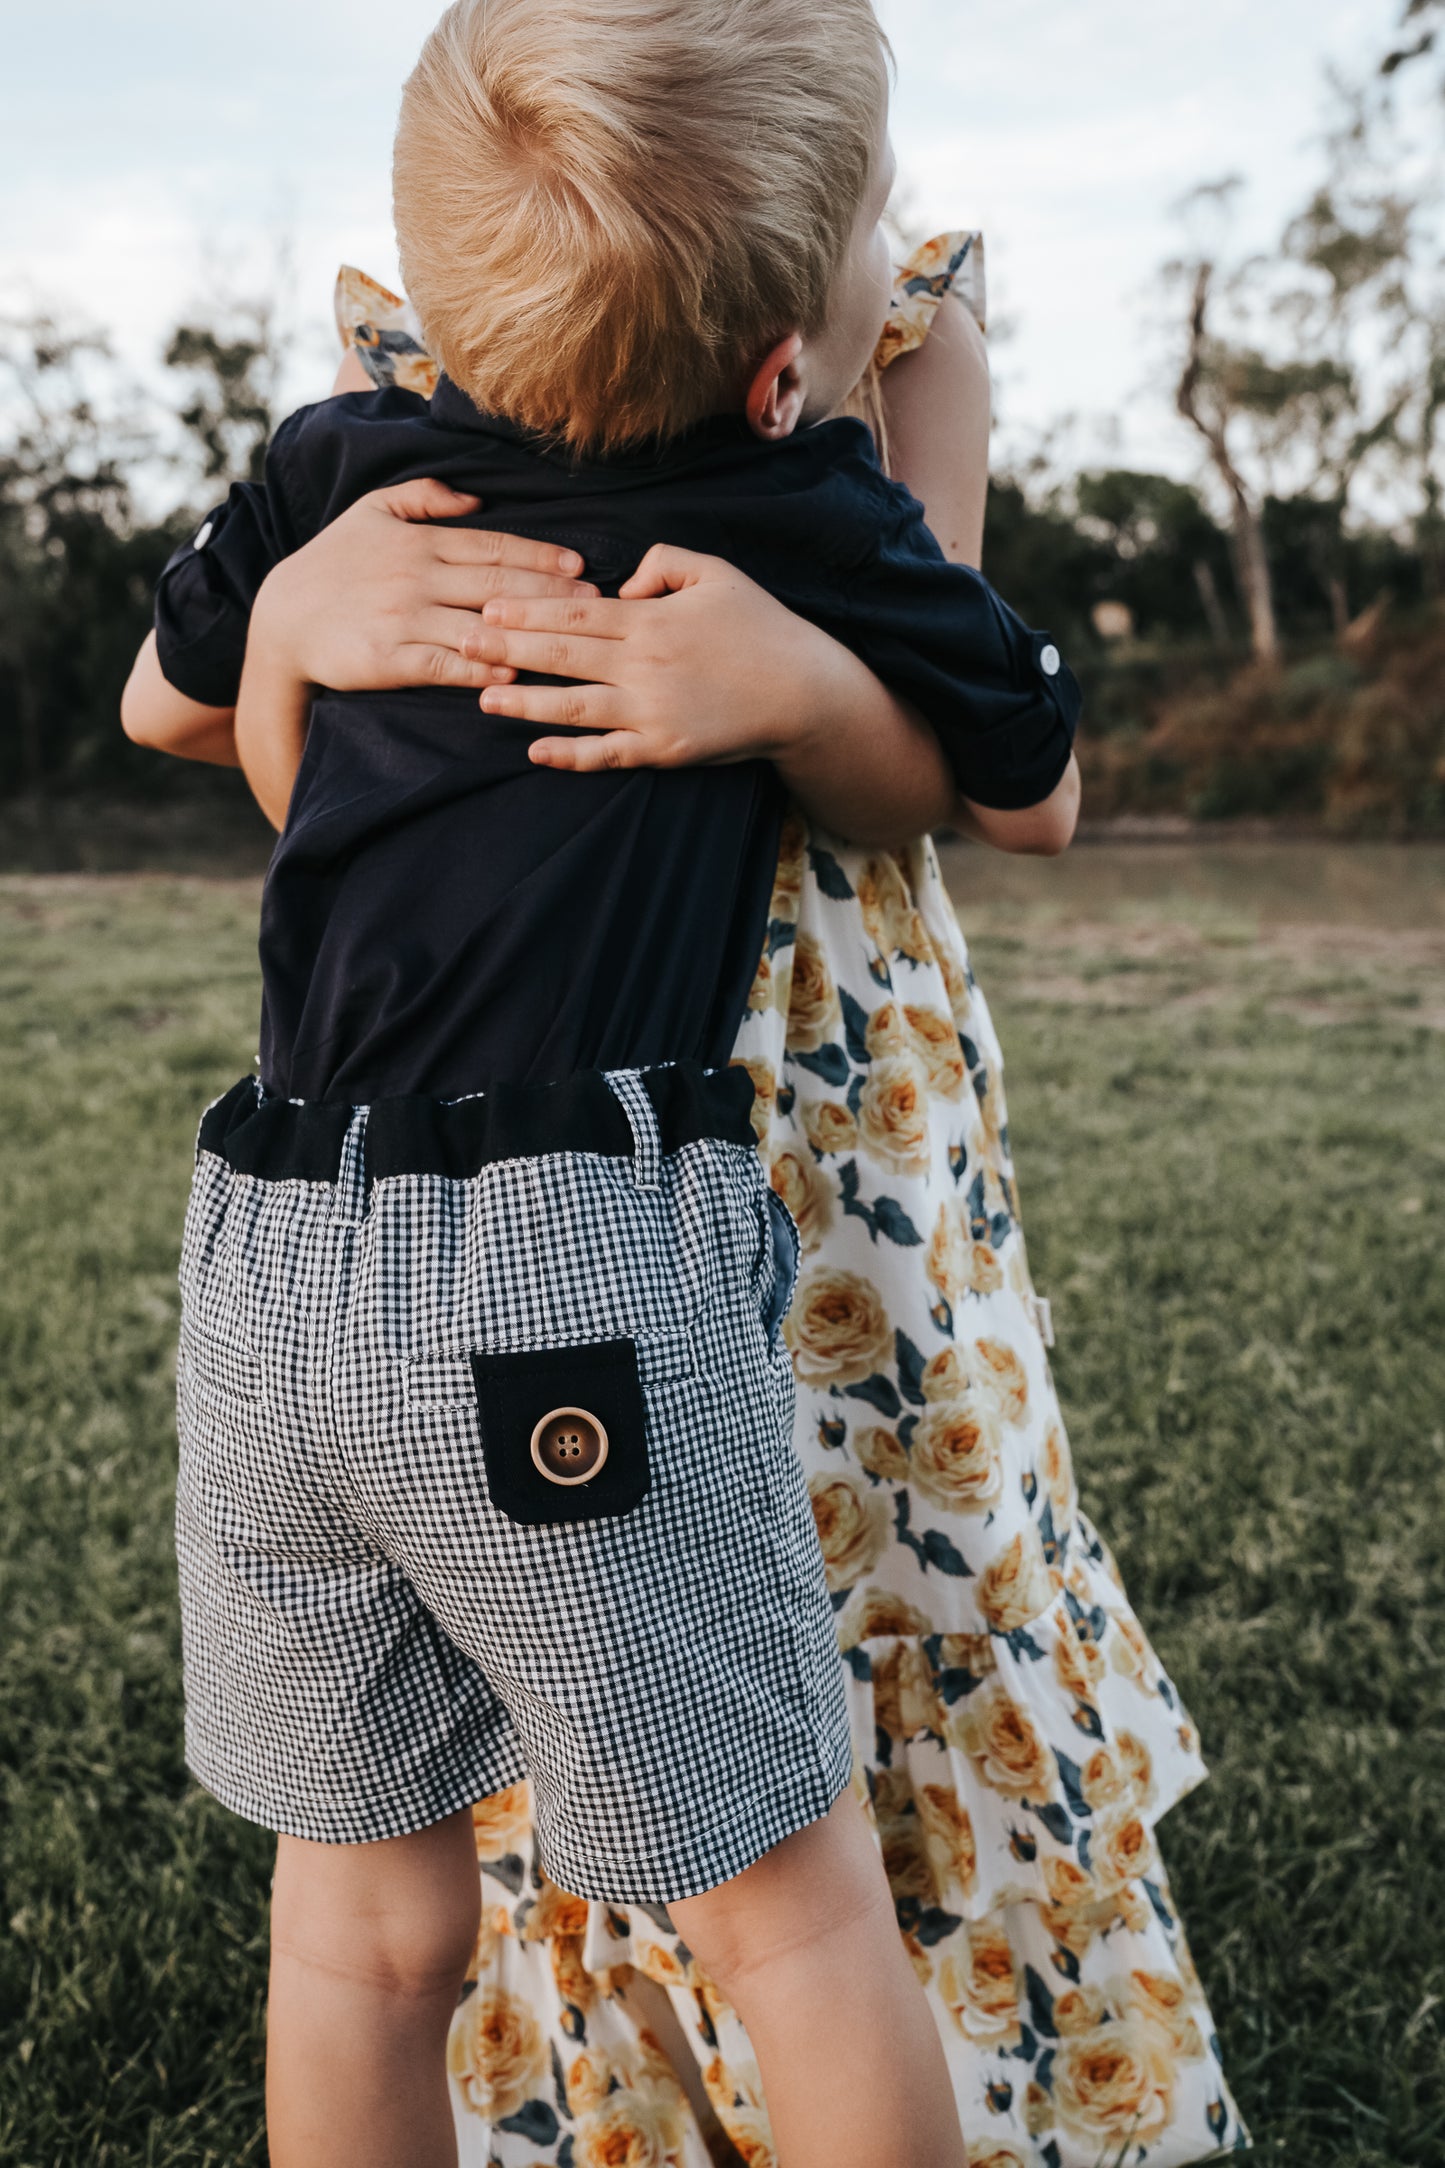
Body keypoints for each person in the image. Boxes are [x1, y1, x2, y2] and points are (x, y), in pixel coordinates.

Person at [119, 4, 1097, 2165]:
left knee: (358, 1935)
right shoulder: (797, 494)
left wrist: (287, 607)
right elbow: (1031, 794)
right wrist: (825, 640)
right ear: (782, 362)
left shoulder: (340, 457)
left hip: (273, 1243)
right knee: (797, 1920)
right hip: (562, 1247)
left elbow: (154, 706)